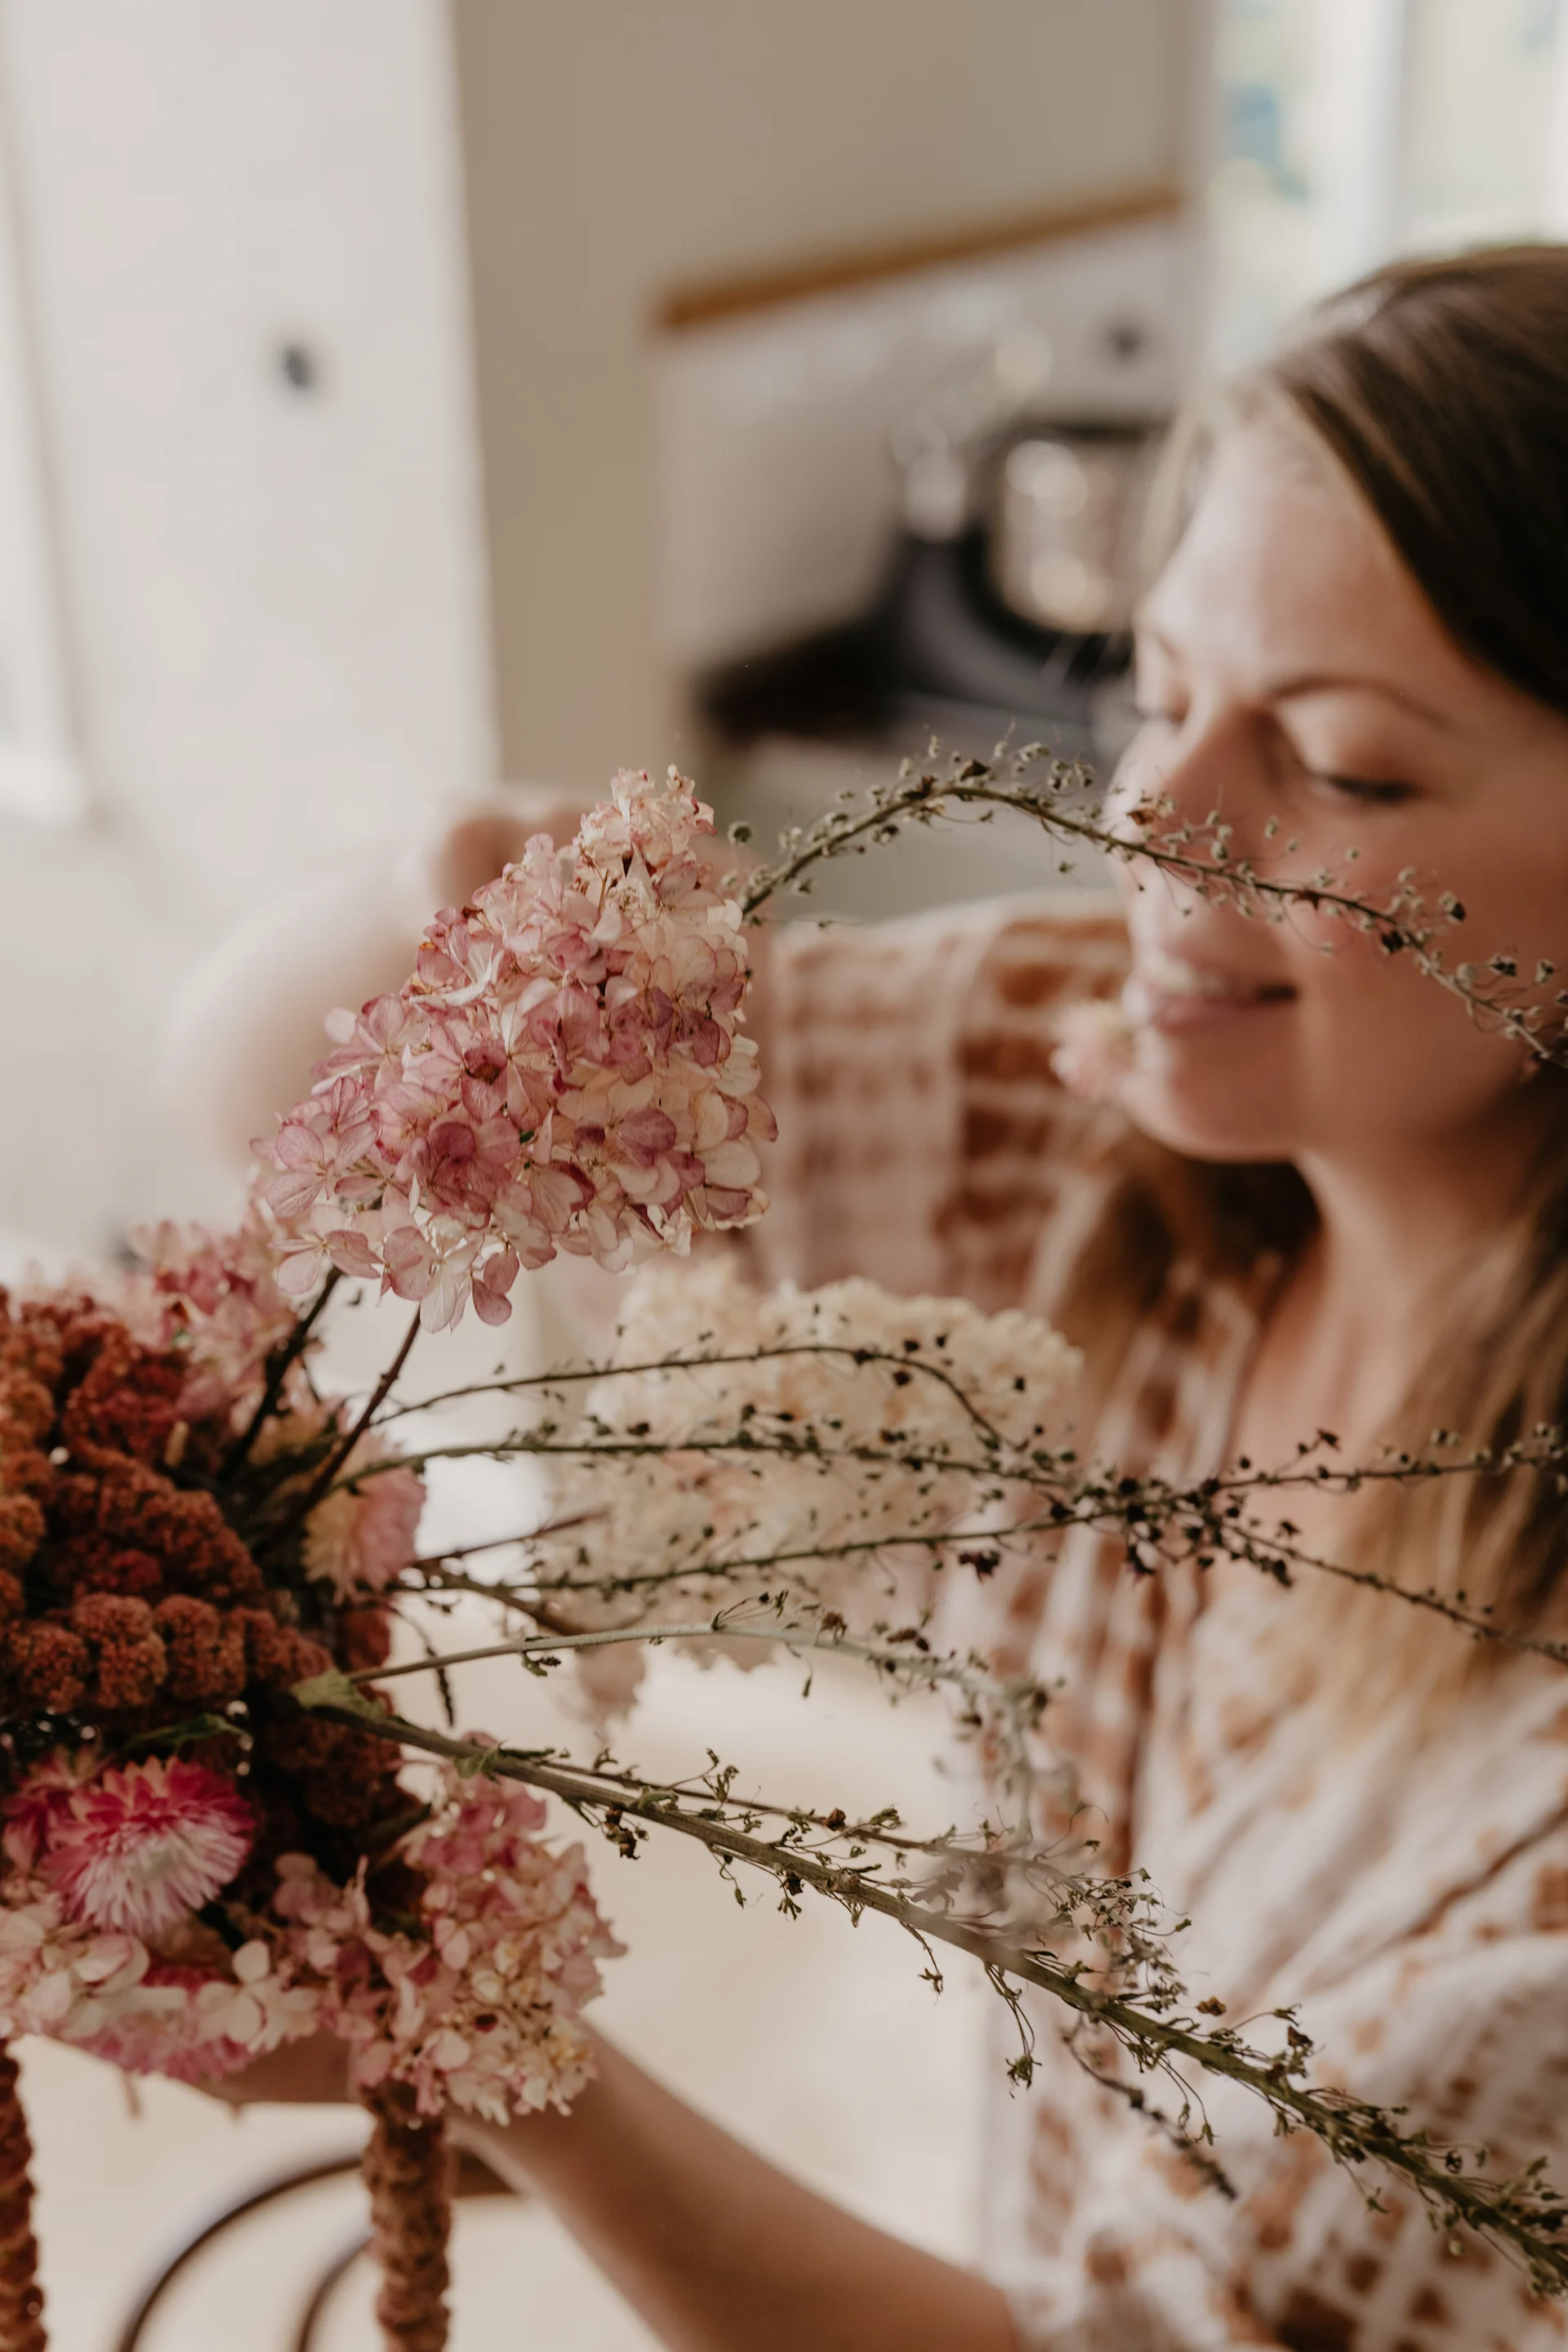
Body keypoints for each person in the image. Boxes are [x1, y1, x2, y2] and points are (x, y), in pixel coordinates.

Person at [211, 247, 1568, 2350]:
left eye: (1342, 765)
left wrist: (498, 2049)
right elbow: (253, 1079)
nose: (1158, 816)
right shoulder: (1099, 1114)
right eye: (1161, 689)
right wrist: (478, 898)